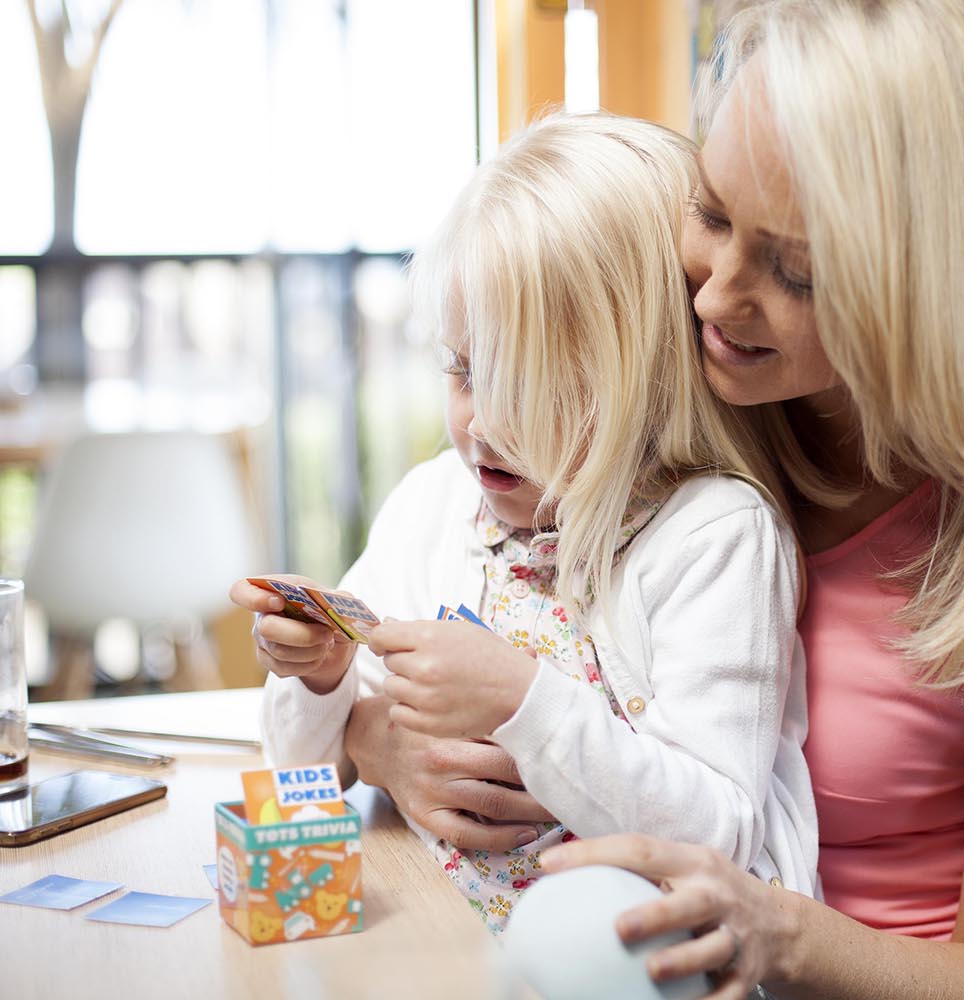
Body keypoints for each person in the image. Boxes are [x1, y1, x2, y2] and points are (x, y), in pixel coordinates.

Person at [532, 1, 964, 996]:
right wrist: (378, 733)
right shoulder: (687, 385)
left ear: (937, 284)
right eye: (710, 210)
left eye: (798, 272)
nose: (714, 294)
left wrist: (777, 932)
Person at [230, 113, 818, 935]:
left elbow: (718, 834)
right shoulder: (436, 503)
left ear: (645, 377)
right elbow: (297, 773)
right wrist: (319, 680)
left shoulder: (715, 536)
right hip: (426, 932)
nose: (486, 425)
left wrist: (522, 699)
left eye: (534, 384)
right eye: (465, 371)